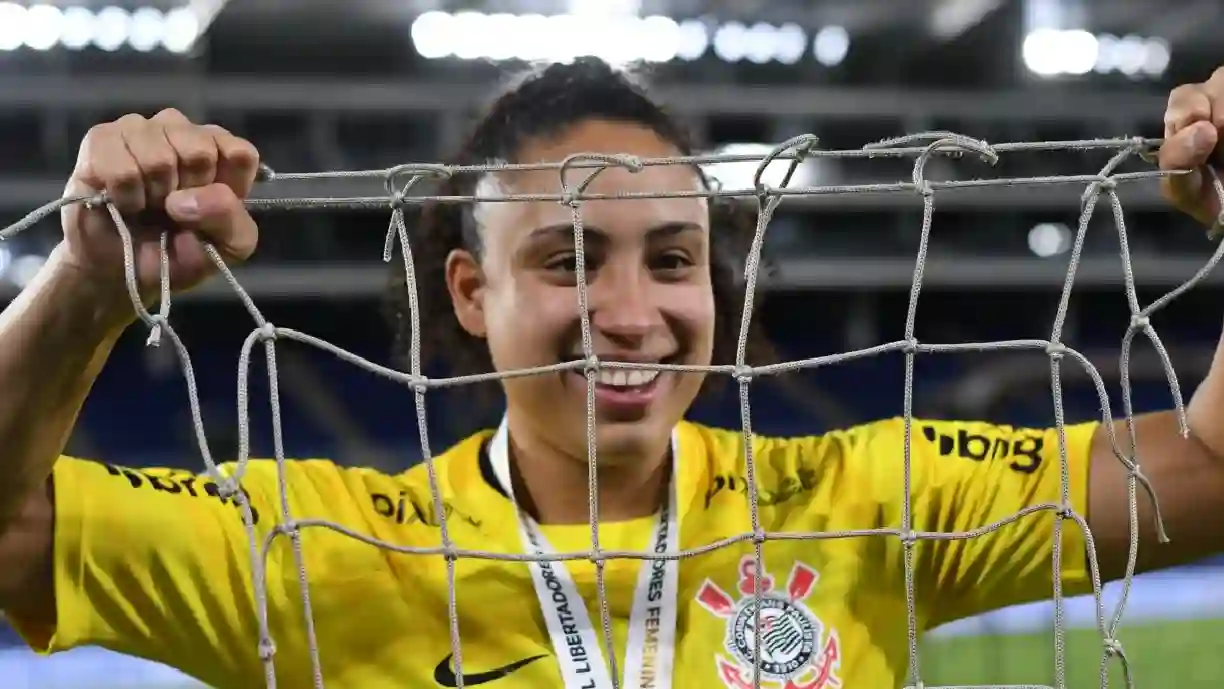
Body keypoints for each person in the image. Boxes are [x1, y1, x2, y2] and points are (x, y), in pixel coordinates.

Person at [1, 57, 1224, 689]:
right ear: (473, 295)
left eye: (674, 258)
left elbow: (1209, 467)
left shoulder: (858, 499)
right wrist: (84, 293)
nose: (632, 315)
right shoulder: (321, 548)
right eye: (570, 258)